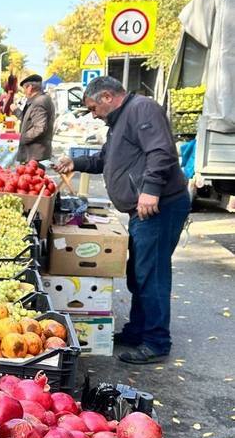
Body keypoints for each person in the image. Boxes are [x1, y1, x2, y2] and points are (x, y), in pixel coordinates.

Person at [55, 76, 190, 365]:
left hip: (159, 206)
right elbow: (105, 159)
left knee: (151, 273)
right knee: (139, 272)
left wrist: (150, 190)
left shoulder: (142, 109)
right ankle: (137, 330)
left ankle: (156, 341)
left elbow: (161, 152)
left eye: (93, 107)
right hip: (143, 210)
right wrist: (75, 163)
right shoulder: (118, 122)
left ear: (107, 97)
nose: (93, 114)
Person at [17, 74, 55, 162]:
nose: (24, 92)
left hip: (34, 154)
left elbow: (39, 128)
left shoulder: (39, 101)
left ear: (30, 87)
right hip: (36, 153)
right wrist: (16, 111)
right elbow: (28, 119)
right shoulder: (40, 99)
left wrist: (23, 138)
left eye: (24, 89)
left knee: (32, 175)